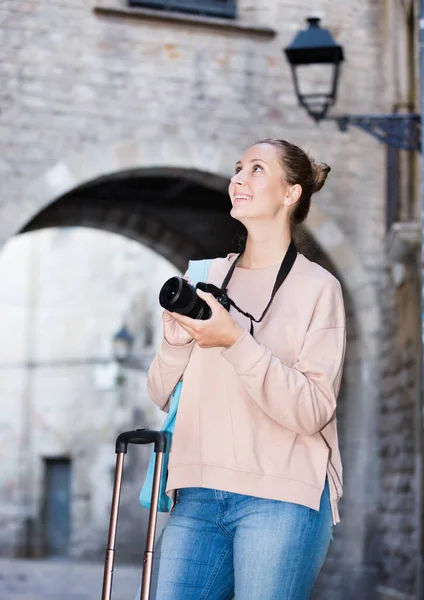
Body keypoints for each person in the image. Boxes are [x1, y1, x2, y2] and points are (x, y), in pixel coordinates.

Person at [146, 138, 346, 600]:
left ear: (290, 193)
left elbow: (314, 410)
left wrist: (235, 341)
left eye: (257, 169)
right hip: (195, 493)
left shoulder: (319, 288)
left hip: (282, 499)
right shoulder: (204, 278)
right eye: (238, 169)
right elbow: (160, 392)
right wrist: (176, 345)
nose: (238, 178)